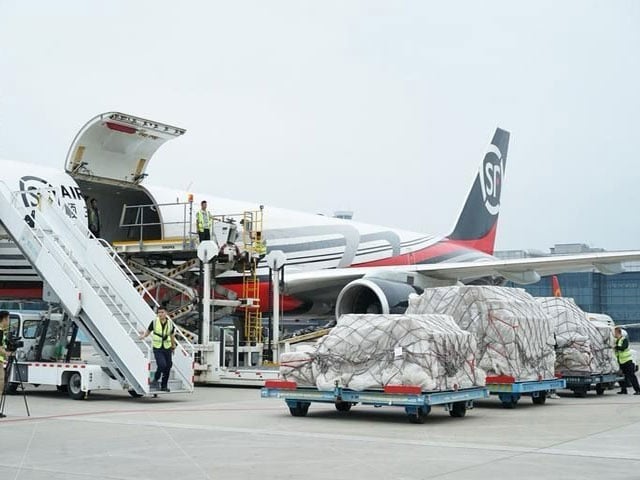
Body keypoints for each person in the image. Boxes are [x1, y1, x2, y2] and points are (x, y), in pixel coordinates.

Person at [139, 306, 176, 392]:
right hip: (157, 346)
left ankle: (164, 386)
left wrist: (173, 346)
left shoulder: (170, 324)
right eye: (159, 312)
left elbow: (172, 336)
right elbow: (149, 331)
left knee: (168, 366)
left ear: (166, 313)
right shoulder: (154, 322)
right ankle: (156, 378)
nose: (160, 314)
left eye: (162, 312)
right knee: (162, 365)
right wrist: (143, 336)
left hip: (167, 347)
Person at [614, 327, 640, 395]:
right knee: (621, 376)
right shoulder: (616, 340)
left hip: (627, 361)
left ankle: (638, 390)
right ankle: (623, 390)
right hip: (620, 361)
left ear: (618, 332)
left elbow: (623, 348)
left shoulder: (624, 340)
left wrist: (615, 347)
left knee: (631, 376)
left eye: (615, 333)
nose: (614, 334)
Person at [0, 310, 9, 398]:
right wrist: (7, 353)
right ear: (4, 319)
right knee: (1, 382)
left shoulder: (2, 331)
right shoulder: (0, 331)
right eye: (8, 319)